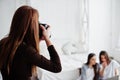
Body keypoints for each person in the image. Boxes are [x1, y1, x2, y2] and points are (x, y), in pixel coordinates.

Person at [0, 5, 62, 80]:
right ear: (31, 26)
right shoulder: (26, 50)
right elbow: (57, 67)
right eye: (36, 22)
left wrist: (37, 39)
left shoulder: (3, 42)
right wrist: (47, 39)